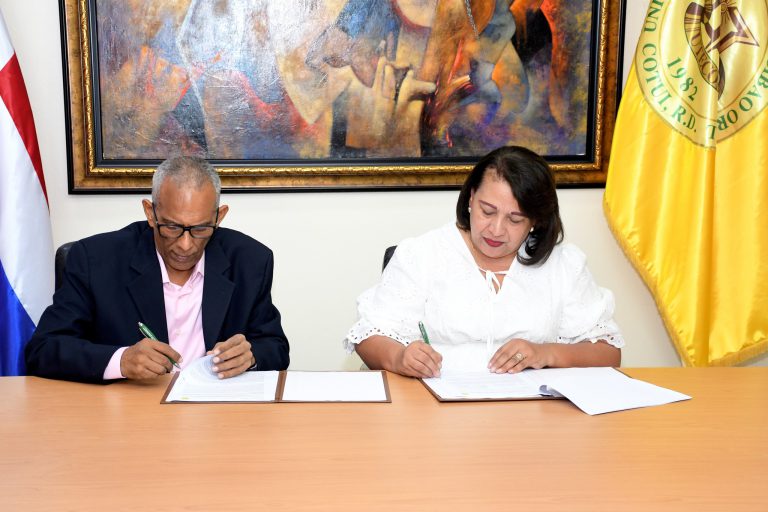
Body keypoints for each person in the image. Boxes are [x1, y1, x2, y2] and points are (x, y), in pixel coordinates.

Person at [344, 146, 623, 377]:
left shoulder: (564, 265)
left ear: (536, 220)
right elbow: (368, 336)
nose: (496, 230)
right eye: (487, 211)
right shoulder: (422, 254)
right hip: (431, 411)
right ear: (471, 198)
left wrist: (546, 353)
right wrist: (399, 358)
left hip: (533, 415)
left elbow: (608, 353)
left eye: (515, 219)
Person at [26, 156, 289, 383]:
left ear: (219, 217)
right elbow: (43, 349)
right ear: (150, 214)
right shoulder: (95, 260)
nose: (186, 245)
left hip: (215, 412)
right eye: (172, 227)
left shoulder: (250, 261)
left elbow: (275, 346)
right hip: (127, 413)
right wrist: (121, 361)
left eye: (200, 229)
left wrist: (250, 356)